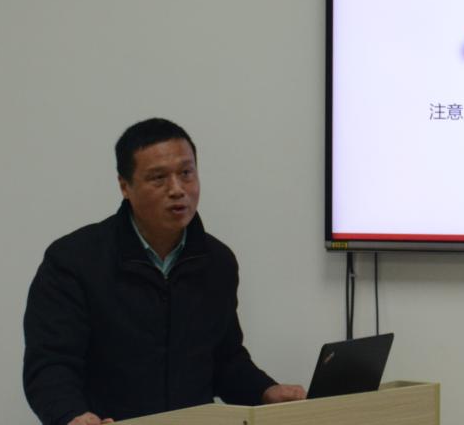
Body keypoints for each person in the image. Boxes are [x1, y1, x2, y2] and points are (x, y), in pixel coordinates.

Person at [23, 118, 305, 425]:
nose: (177, 190)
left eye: (186, 173)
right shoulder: (73, 261)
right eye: (158, 178)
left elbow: (225, 361)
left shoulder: (217, 261)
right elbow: (51, 364)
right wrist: (71, 416)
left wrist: (265, 391)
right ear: (125, 186)